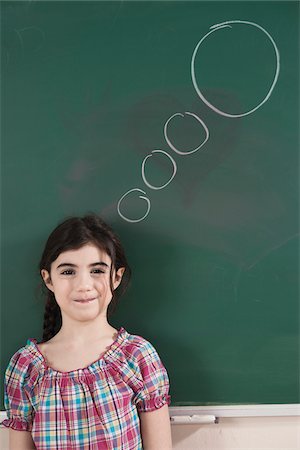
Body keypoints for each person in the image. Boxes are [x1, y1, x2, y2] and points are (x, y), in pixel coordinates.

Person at [1, 214, 172, 450]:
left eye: (97, 270)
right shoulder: (26, 368)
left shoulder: (137, 357)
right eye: (68, 272)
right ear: (48, 279)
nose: (84, 285)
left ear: (116, 277)